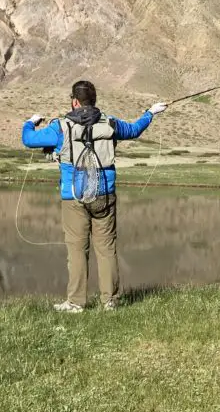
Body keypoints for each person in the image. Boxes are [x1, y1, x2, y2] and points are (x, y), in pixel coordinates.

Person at [21, 80, 167, 312]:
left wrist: (30, 121)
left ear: (74, 101)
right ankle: (110, 301)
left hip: (73, 197)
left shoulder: (60, 127)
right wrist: (150, 112)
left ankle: (76, 302)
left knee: (77, 249)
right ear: (94, 100)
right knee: (106, 247)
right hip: (105, 195)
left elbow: (28, 140)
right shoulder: (110, 123)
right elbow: (134, 129)